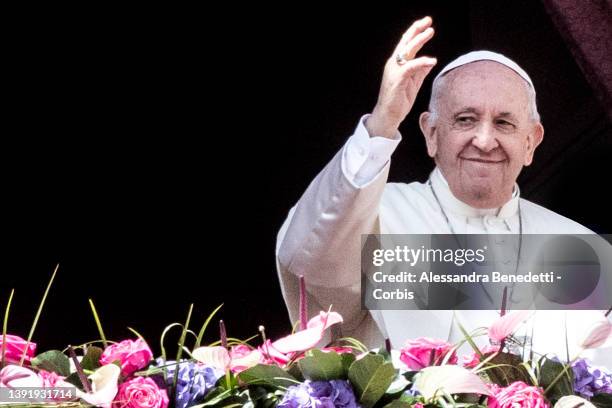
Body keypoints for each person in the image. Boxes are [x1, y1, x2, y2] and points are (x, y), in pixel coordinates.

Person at [275, 17, 611, 366]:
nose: (484, 141)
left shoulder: (576, 243)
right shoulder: (376, 214)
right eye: (465, 119)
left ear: (530, 142)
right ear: (431, 133)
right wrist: (382, 122)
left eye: (504, 123)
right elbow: (307, 259)